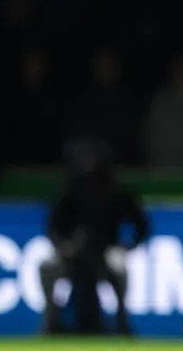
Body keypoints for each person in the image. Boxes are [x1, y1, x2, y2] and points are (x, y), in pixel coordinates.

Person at [39, 137, 150, 335]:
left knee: (119, 265)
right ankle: (50, 320)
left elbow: (141, 224)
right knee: (47, 265)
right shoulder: (69, 189)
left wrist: (127, 246)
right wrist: (63, 245)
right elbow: (53, 226)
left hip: (107, 249)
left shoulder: (116, 190)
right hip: (72, 251)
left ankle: (122, 320)